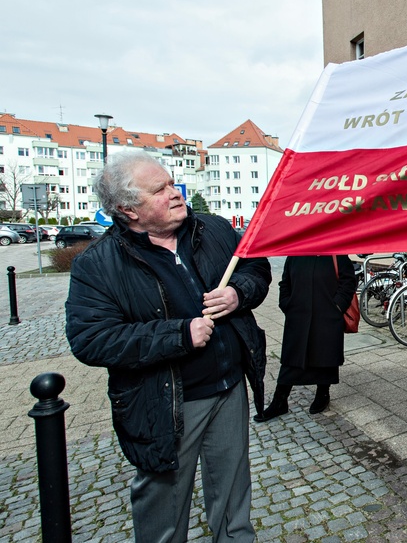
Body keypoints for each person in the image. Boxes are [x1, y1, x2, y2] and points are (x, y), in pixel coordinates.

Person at [65, 149, 271, 543]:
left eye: (172, 182)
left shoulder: (212, 229)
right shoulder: (98, 265)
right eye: (158, 190)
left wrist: (238, 293)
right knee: (164, 514)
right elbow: (91, 339)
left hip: (229, 388)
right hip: (165, 402)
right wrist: (177, 335)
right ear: (128, 210)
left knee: (233, 504)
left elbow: (255, 267)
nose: (175, 193)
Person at [254, 255, 357, 421]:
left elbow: (349, 282)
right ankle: (280, 400)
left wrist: (337, 306)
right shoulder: (296, 253)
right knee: (291, 359)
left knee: (325, 358)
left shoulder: (336, 253)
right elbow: (285, 282)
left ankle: (323, 394)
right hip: (298, 315)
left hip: (327, 316)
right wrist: (286, 303)